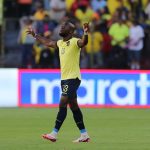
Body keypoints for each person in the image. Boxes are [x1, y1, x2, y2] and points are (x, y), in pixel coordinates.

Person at [26, 20, 90, 143]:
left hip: (73, 78)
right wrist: (35, 35)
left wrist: (86, 33)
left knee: (62, 102)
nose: (61, 27)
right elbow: (48, 42)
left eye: (65, 26)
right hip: (64, 79)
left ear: (71, 31)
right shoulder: (60, 43)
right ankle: (84, 134)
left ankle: (54, 133)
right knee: (74, 106)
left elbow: (84, 42)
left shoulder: (74, 41)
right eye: (62, 26)